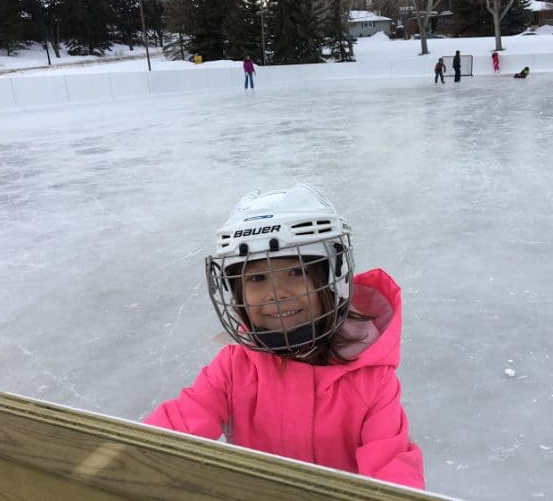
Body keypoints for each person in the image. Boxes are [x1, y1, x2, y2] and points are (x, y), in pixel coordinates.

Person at [144, 183, 425, 490]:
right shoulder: (234, 367)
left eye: (295, 272)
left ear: (330, 279)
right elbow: (177, 428)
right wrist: (129, 460)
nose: (276, 294)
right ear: (236, 292)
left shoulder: (371, 381)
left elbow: (391, 468)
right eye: (257, 278)